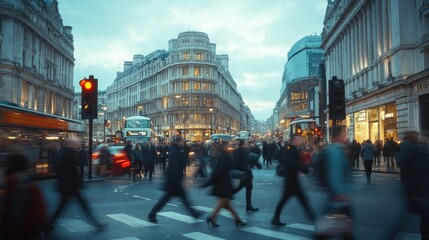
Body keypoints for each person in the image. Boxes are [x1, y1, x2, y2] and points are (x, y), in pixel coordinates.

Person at [47, 140, 103, 232]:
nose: (76, 144)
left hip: (67, 186)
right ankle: (97, 224)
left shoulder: (66, 154)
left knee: (65, 206)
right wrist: (78, 183)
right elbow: (71, 172)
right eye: (74, 143)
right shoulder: (68, 155)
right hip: (70, 186)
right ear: (70, 146)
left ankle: (49, 224)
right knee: (82, 205)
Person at [147, 136, 202, 223]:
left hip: (174, 179)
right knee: (169, 199)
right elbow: (175, 165)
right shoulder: (175, 150)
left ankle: (194, 213)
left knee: (181, 198)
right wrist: (179, 178)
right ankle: (152, 214)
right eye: (181, 141)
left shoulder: (177, 149)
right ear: (178, 142)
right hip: (174, 180)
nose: (183, 143)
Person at [317, 126, 353, 240]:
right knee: (341, 225)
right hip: (338, 194)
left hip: (336, 193)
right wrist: (340, 193)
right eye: (344, 133)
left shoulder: (335, 149)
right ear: (340, 136)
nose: (346, 136)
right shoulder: (336, 151)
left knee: (338, 224)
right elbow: (335, 173)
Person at [271, 134, 315, 226]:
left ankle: (312, 217)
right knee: (298, 200)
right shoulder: (291, 150)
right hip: (291, 181)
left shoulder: (289, 149)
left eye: (300, 139)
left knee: (300, 199)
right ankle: (313, 218)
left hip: (291, 180)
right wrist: (306, 171)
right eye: (298, 139)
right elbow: (294, 164)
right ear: (293, 140)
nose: (300, 141)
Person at [392, 131, 429, 240]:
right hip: (420, 194)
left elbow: (405, 169)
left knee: (407, 220)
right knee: (422, 221)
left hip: (415, 193)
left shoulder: (409, 151)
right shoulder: (420, 151)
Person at [0, 154, 47, 239]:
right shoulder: (31, 186)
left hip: (8, 230)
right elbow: (39, 213)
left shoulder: (5, 183)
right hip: (27, 231)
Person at [200, 142, 246, 227]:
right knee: (222, 204)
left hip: (223, 184)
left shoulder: (224, 156)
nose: (231, 147)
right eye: (229, 145)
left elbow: (232, 166)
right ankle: (212, 217)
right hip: (223, 185)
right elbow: (217, 173)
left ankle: (237, 220)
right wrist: (207, 183)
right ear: (224, 147)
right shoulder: (223, 157)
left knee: (227, 205)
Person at [232, 139, 259, 212]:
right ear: (242, 144)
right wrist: (245, 168)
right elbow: (236, 162)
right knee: (247, 188)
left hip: (246, 173)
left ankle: (248, 205)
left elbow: (248, 159)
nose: (247, 145)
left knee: (246, 188)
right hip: (244, 173)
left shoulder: (244, 151)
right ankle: (248, 205)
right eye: (246, 143)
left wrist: (256, 164)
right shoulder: (239, 152)